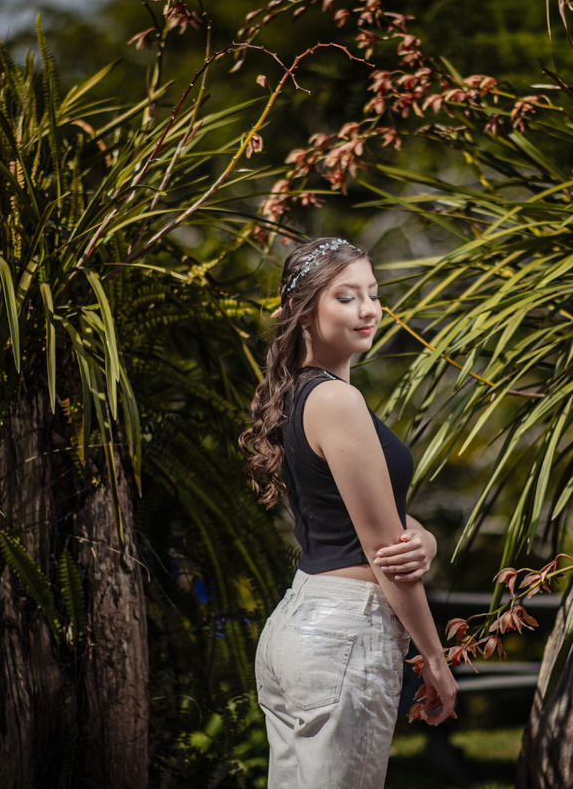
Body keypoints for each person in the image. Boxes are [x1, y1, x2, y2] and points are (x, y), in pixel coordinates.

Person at [240, 236, 459, 788]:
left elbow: (363, 519)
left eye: (373, 294)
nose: (367, 310)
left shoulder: (303, 394)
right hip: (345, 635)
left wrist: (425, 540)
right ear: (301, 310)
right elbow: (386, 552)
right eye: (345, 297)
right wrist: (433, 658)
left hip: (301, 627)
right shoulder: (337, 401)